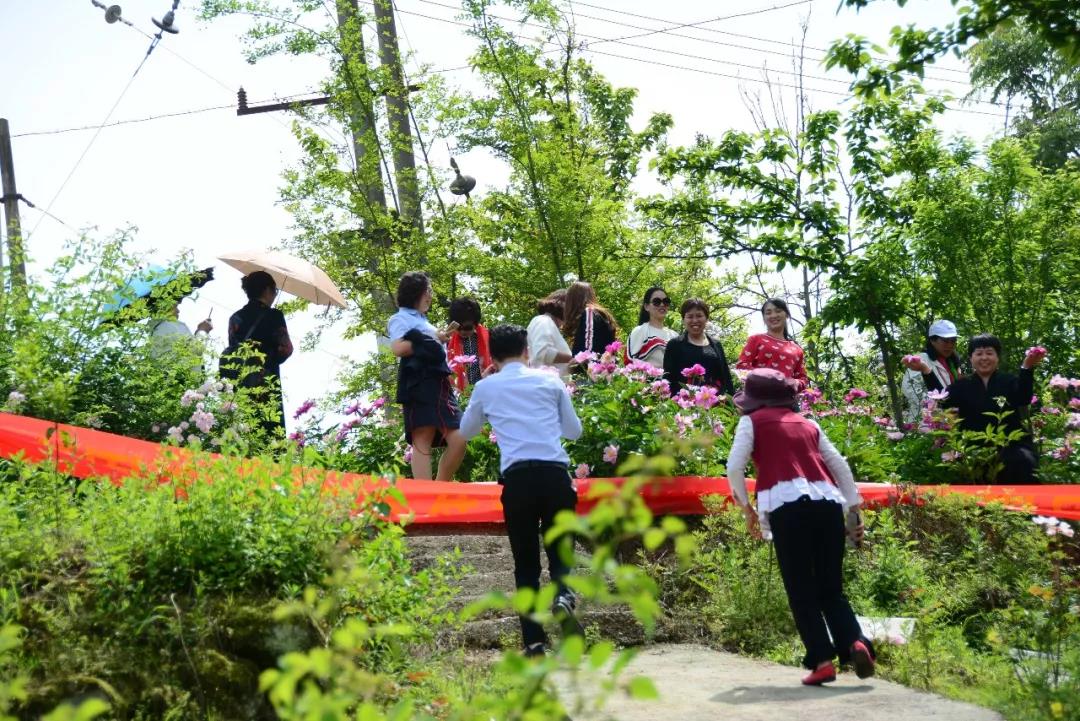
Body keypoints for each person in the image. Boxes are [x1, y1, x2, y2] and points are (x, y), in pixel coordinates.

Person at [726, 368, 875, 686]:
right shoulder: (809, 423)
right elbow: (840, 465)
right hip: (827, 504)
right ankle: (856, 641)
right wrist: (854, 511)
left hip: (787, 506)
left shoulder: (750, 422)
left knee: (800, 588)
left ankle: (822, 660)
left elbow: (735, 466)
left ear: (754, 400)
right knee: (831, 588)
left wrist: (747, 509)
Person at [458, 324, 584, 658]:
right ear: (527, 350)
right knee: (560, 551)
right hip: (555, 475)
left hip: (517, 482)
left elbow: (467, 432)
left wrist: (484, 387)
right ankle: (563, 597)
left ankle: (534, 642)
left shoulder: (486, 387)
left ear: (492, 356)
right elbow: (574, 431)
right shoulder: (550, 380)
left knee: (525, 563)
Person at [902, 334, 1046, 483]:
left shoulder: (1009, 381)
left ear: (997, 358)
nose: (984, 358)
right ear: (971, 358)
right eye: (979, 353)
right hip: (973, 448)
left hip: (1011, 446)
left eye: (989, 353)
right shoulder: (962, 385)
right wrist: (925, 370)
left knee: (1022, 461)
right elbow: (943, 399)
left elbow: (1024, 397)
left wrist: (1027, 366)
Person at [388, 271, 467, 481]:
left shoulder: (424, 320)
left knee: (459, 438)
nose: (430, 296)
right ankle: (428, 493)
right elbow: (397, 348)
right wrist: (433, 337)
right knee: (422, 438)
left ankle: (441, 486)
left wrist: (438, 337)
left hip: (440, 381)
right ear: (415, 293)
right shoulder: (399, 318)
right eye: (427, 291)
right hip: (418, 380)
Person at [226, 271, 294, 438]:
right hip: (267, 383)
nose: (274, 294)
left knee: (244, 432)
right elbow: (286, 349)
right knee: (270, 432)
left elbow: (233, 350)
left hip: (241, 384)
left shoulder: (235, 318)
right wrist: (270, 359)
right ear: (266, 290)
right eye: (275, 290)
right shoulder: (274, 315)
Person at [663, 298, 735, 395]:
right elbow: (668, 378)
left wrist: (732, 403)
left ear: (706, 318)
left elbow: (726, 377)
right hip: (684, 403)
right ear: (683, 319)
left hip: (715, 403)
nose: (695, 320)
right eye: (690, 316)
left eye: (699, 316)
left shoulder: (716, 345)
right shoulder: (675, 344)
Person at [736, 298, 809, 391]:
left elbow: (802, 378)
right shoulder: (756, 339)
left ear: (786, 314)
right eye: (768, 313)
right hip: (758, 399)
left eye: (778, 311)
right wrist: (766, 379)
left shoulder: (796, 349)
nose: (773, 315)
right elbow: (742, 366)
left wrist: (791, 384)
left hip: (786, 401)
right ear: (764, 318)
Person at [900, 320, 962, 424]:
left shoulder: (952, 363)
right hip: (926, 422)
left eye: (953, 341)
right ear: (932, 341)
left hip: (951, 421)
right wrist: (936, 409)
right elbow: (910, 389)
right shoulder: (920, 360)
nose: (950, 345)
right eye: (946, 341)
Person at [446, 297, 493, 391]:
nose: (462, 331)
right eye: (458, 328)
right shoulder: (447, 340)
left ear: (476, 323)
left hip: (484, 389)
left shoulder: (490, 338)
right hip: (458, 393)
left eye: (467, 328)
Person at [627, 286, 678, 369]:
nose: (662, 305)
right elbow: (629, 363)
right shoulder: (640, 331)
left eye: (666, 301)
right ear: (646, 306)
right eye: (657, 302)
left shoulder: (674, 335)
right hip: (644, 380)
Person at [562, 281, 617, 357]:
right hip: (600, 365)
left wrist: (577, 362)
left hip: (592, 366)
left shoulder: (589, 312)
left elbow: (588, 350)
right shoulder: (594, 314)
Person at [527, 289, 572, 376]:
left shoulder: (549, 323)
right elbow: (543, 353)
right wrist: (574, 358)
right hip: (547, 385)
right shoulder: (543, 320)